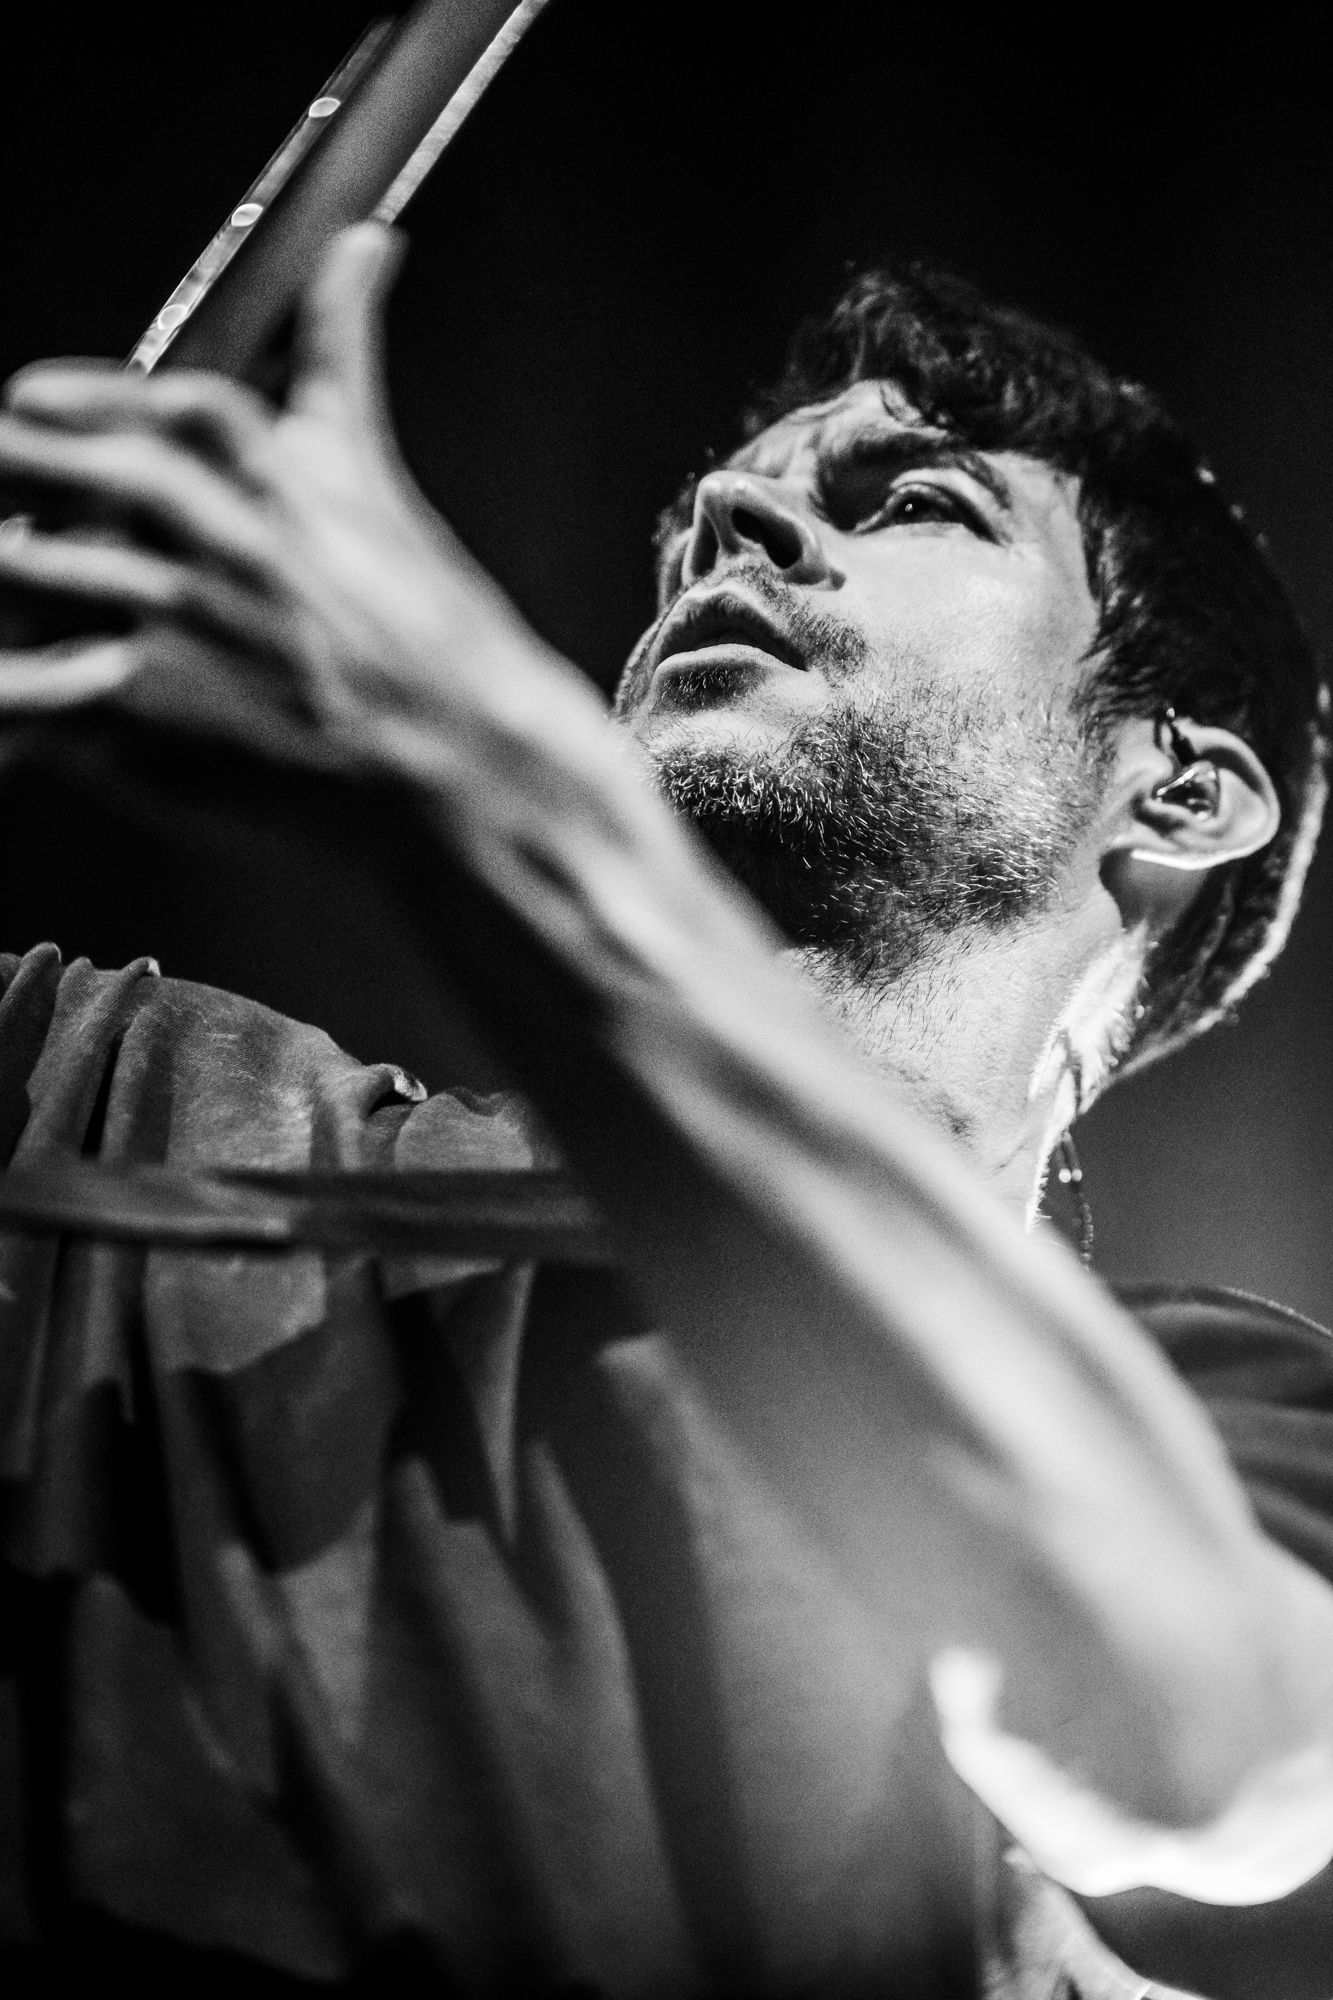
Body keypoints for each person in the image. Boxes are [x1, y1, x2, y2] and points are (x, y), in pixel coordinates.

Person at [0, 225, 1332, 1999]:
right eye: (700, 530)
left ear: (1180, 790)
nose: (735, 523)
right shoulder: (110, 1086)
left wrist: (471, 762)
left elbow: (1201, 1742)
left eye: (911, 502)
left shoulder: (1200, 1409)